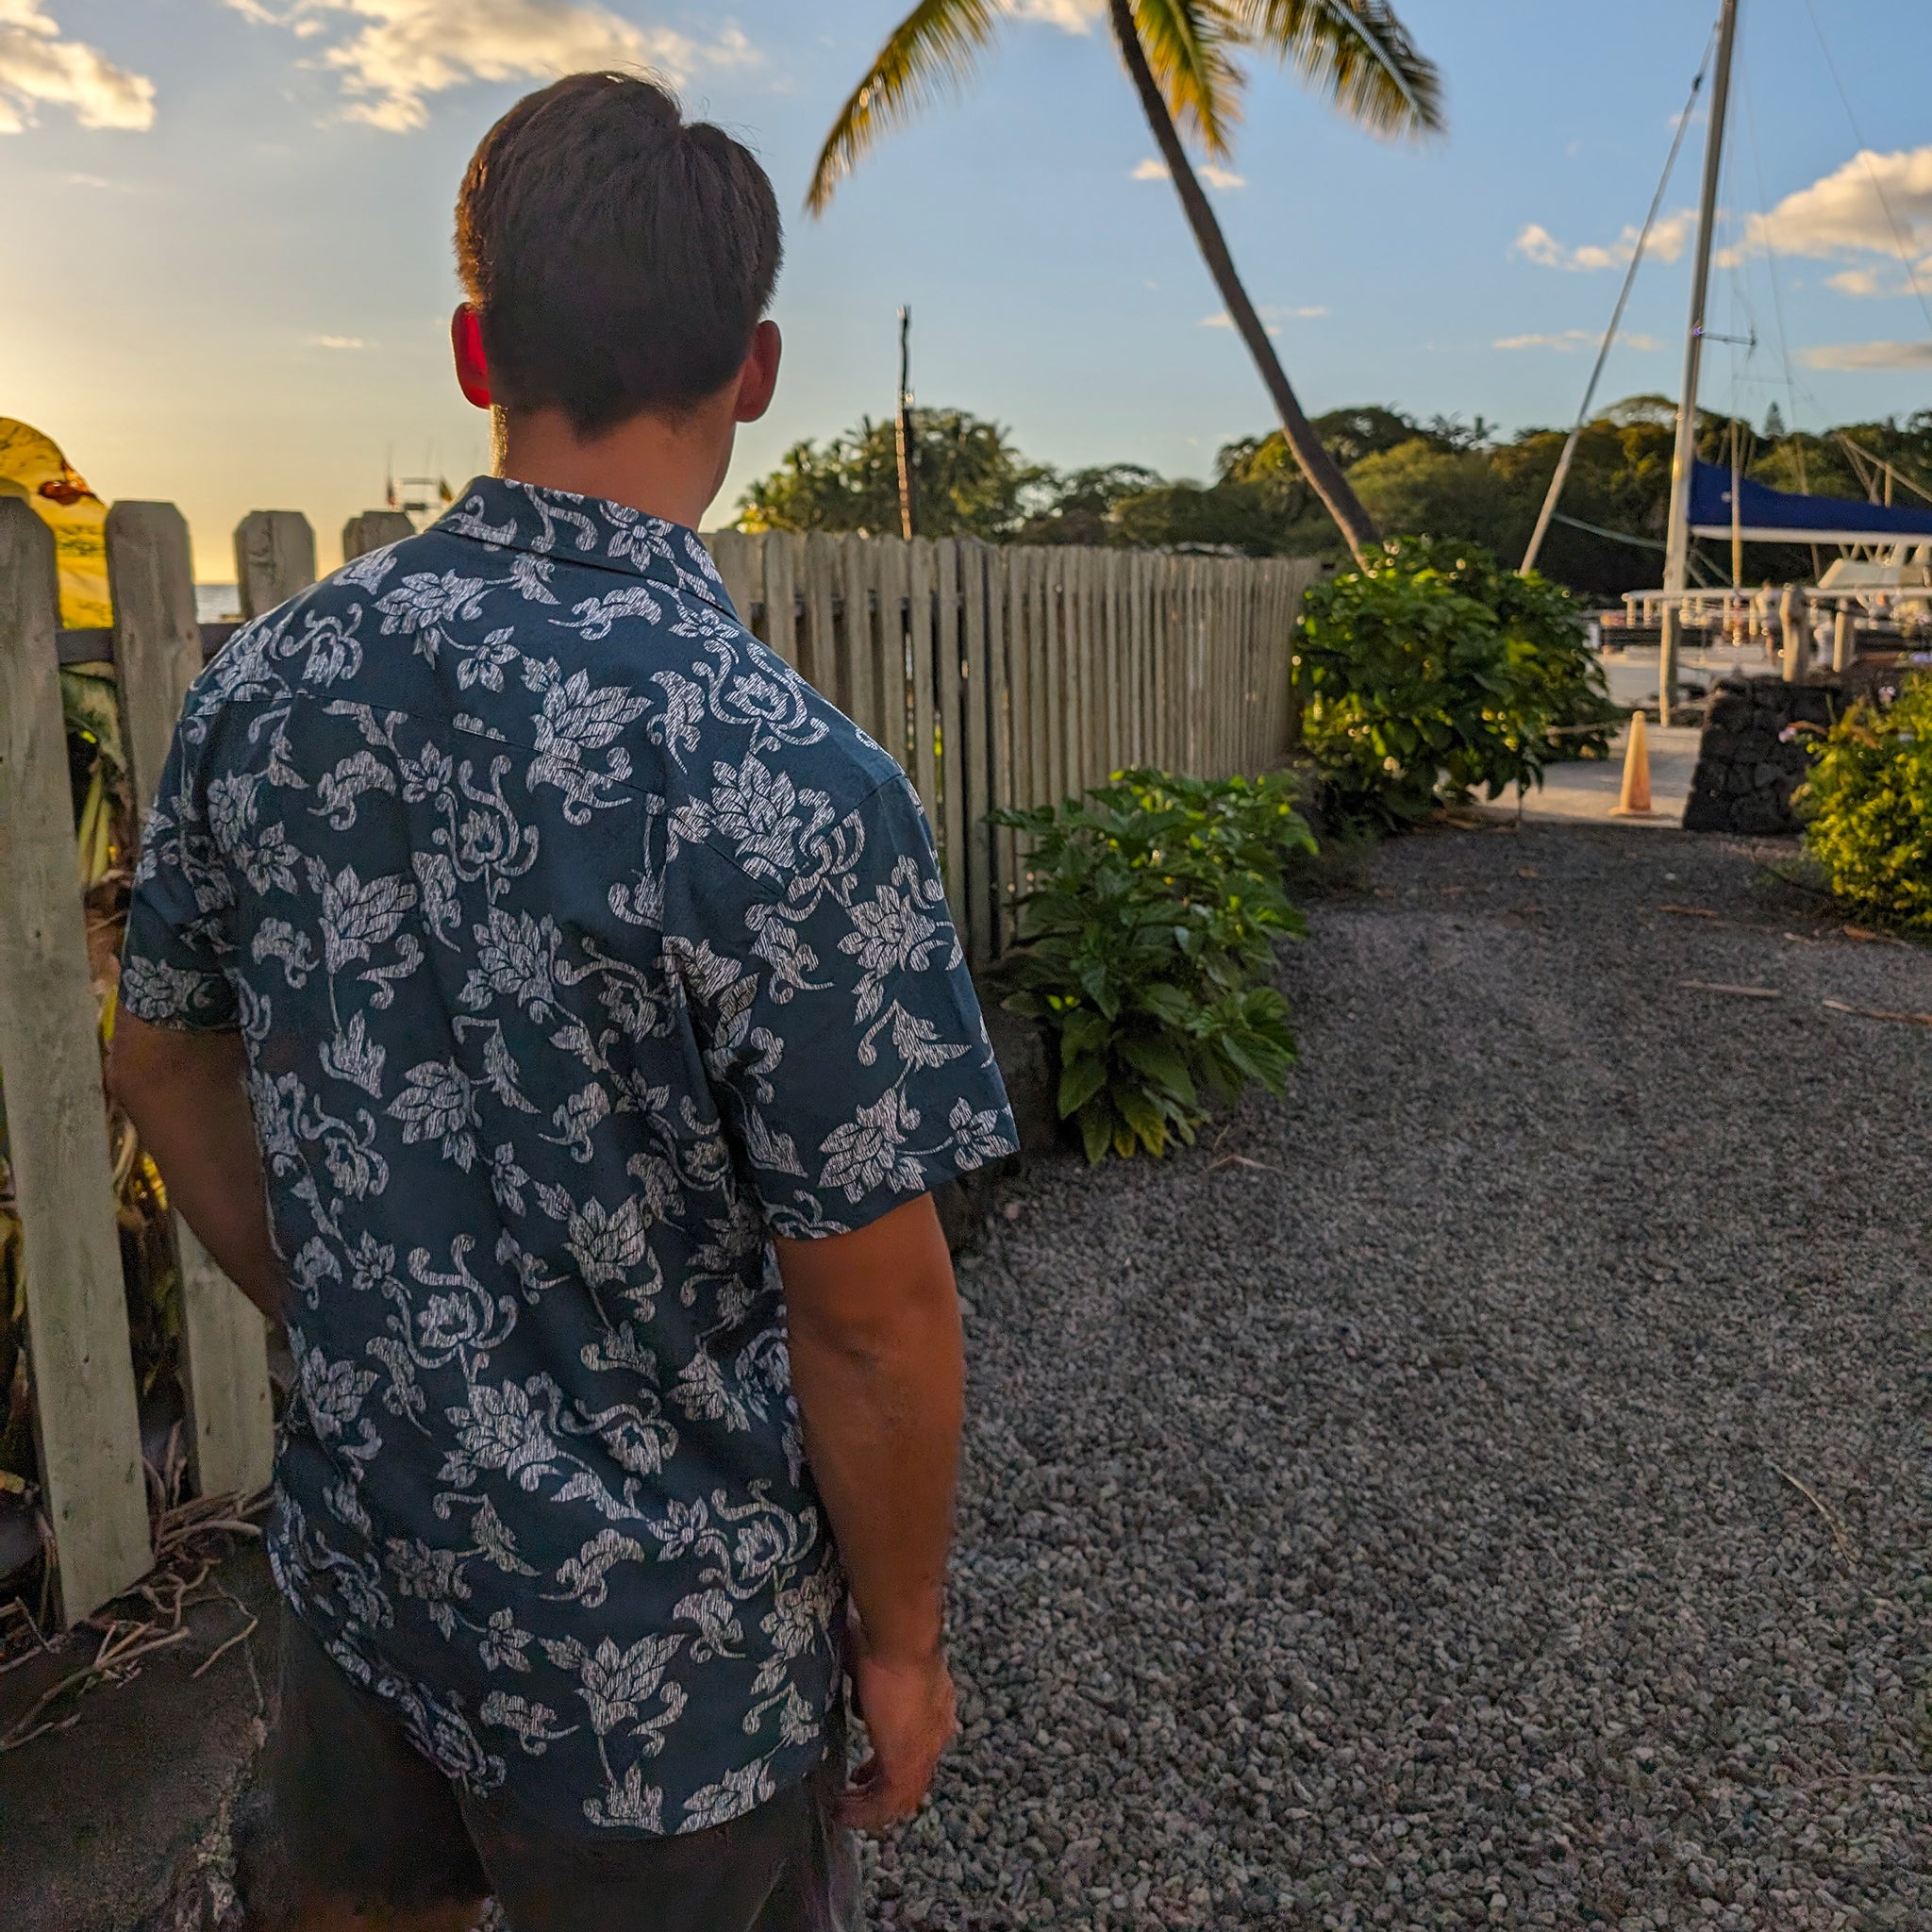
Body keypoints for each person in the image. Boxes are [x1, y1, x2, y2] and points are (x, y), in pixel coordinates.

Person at [108, 71, 1016, 1932]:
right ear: (755, 372)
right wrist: (905, 1647)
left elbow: (158, 1058)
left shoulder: (259, 692)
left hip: (372, 1579)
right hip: (666, 1683)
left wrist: (356, 1302)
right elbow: (872, 1321)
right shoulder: (788, 776)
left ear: (472, 350)